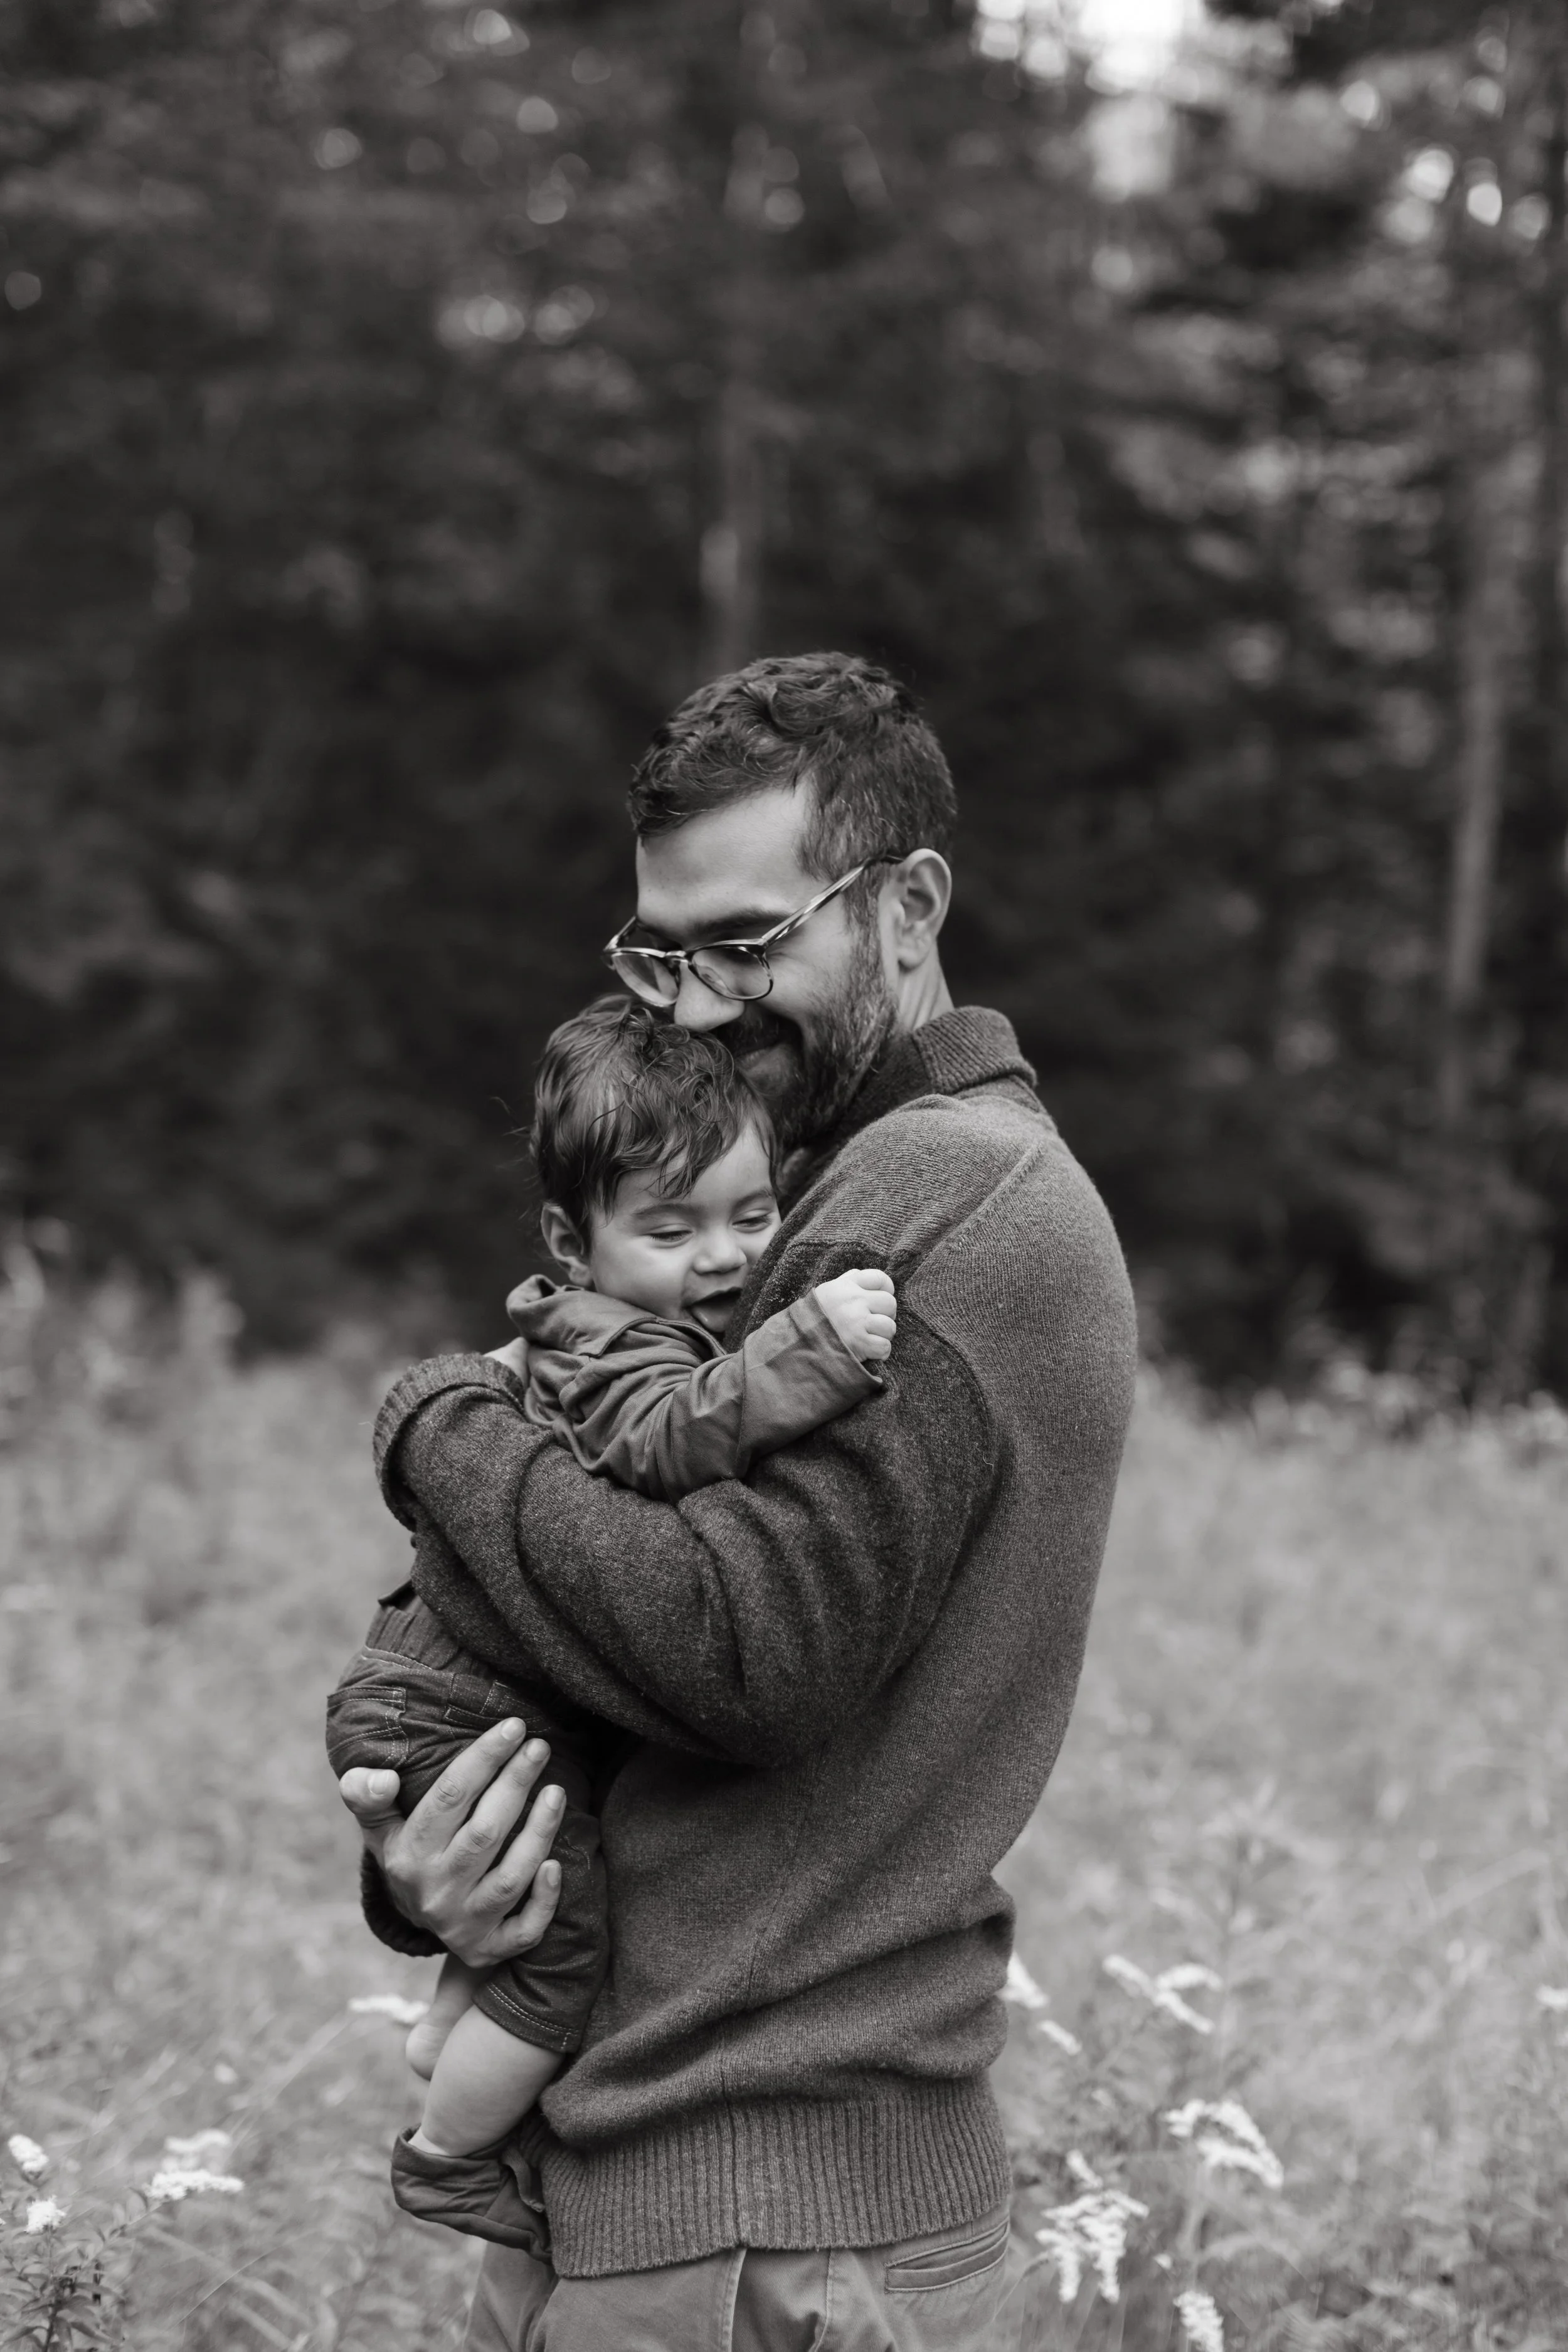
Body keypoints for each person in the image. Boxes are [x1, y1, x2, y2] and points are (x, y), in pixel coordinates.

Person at [339, 652, 1138, 2350]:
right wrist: (447, 1854)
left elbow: (733, 1647)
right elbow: (624, 1660)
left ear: (908, 905)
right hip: (687, 2190)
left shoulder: (936, 1196)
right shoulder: (800, 1197)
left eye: (749, 941)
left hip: (770, 2219)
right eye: (661, 950)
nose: (695, 1005)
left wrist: (434, 1425)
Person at [326, 997, 896, 2237]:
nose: (724, 1256)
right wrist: (808, 1348)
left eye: (753, 1216)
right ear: (568, 1238)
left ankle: (446, 2030)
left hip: (439, 1679)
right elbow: (663, 1434)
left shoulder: (601, 1324)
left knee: (537, 1878)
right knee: (561, 1963)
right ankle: (446, 2159)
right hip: (456, 1697)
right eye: (670, 1228)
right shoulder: (617, 1348)